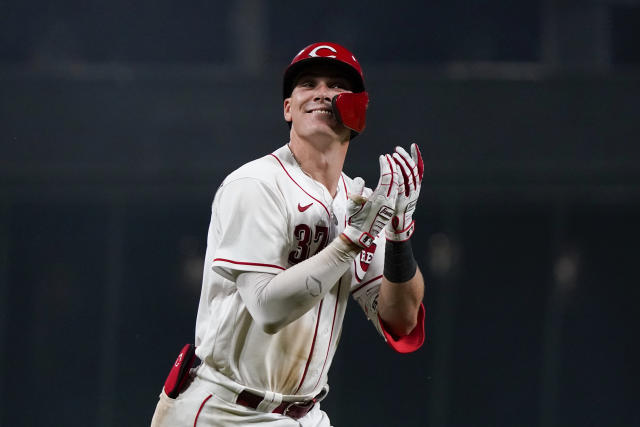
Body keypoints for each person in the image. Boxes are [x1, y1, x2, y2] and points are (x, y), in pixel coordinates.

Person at [151, 41, 426, 427]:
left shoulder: (360, 202)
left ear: (359, 108)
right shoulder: (256, 184)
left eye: (336, 85)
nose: (322, 93)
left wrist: (399, 234)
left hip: (305, 413)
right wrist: (349, 243)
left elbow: (401, 320)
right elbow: (267, 308)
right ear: (288, 108)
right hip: (226, 409)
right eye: (308, 84)